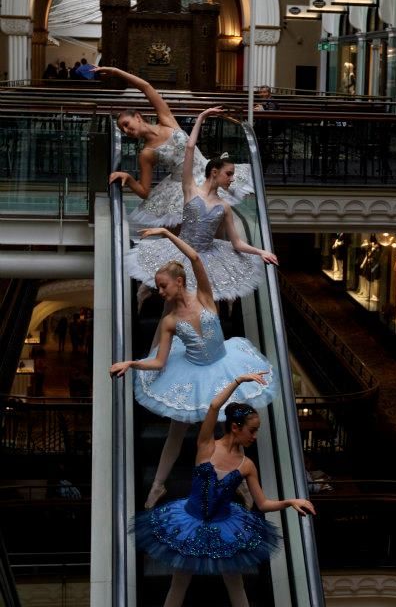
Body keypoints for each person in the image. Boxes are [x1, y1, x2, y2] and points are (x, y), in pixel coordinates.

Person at [132, 375, 315, 607]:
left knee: (235, 581)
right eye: (252, 431)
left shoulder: (247, 465)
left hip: (225, 524)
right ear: (235, 428)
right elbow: (216, 404)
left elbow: (264, 503)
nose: (255, 437)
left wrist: (290, 502)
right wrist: (239, 380)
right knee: (180, 579)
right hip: (189, 520)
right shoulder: (206, 444)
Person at [110, 226, 278, 508]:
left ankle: (243, 488)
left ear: (179, 281)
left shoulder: (203, 295)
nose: (160, 292)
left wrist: (166, 232)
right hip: (190, 374)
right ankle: (158, 486)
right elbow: (160, 362)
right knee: (178, 431)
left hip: (225, 366)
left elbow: (196, 259)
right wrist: (132, 362)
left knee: (226, 435)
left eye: (163, 286)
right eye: (157, 287)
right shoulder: (169, 322)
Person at [124, 106, 277, 302]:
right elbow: (189, 147)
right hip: (181, 252)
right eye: (228, 174)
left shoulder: (225, 207)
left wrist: (261, 251)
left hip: (208, 257)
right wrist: (201, 118)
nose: (232, 179)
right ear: (214, 172)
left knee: (205, 299)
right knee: (178, 298)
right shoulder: (190, 189)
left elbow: (237, 243)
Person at [98, 67, 251, 229]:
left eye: (126, 125)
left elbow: (146, 87)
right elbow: (144, 191)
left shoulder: (166, 119)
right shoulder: (146, 153)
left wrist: (116, 72)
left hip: (208, 172)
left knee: (218, 220)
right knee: (193, 228)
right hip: (184, 186)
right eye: (123, 130)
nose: (126, 131)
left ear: (137, 116)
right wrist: (128, 178)